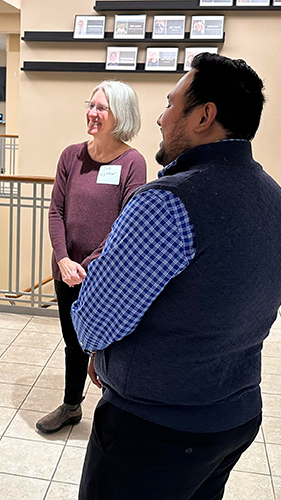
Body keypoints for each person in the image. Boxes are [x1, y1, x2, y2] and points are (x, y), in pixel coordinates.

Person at [72, 53, 281, 499]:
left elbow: (93, 325)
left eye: (171, 104)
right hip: (236, 416)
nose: (161, 119)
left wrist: (98, 275)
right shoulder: (273, 197)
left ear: (205, 116)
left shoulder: (166, 202)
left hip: (155, 428)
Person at [35, 81, 146, 434]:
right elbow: (56, 212)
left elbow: (127, 224)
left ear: (121, 116)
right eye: (91, 105)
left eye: (101, 108)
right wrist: (64, 259)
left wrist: (86, 265)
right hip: (66, 270)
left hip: (106, 273)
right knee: (74, 342)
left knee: (110, 345)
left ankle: (117, 412)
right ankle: (71, 406)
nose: (92, 113)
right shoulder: (71, 155)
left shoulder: (133, 162)